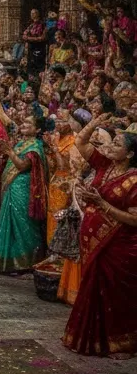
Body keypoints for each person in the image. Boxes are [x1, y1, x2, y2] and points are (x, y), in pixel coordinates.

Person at [62, 118, 137, 357]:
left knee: (115, 293)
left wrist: (101, 204)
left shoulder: (134, 180)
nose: (110, 147)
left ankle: (121, 343)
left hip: (120, 247)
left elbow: (134, 219)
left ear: (129, 154)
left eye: (117, 144)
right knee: (93, 288)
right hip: (94, 241)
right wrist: (95, 121)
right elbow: (80, 140)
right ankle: (90, 337)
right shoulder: (104, 165)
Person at [0, 110, 48, 273]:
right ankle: (7, 263)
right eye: (24, 122)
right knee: (9, 220)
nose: (24, 125)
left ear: (37, 130)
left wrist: (9, 152)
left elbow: (22, 166)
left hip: (24, 188)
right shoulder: (21, 143)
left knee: (22, 223)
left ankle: (25, 262)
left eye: (29, 123)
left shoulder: (35, 146)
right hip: (12, 187)